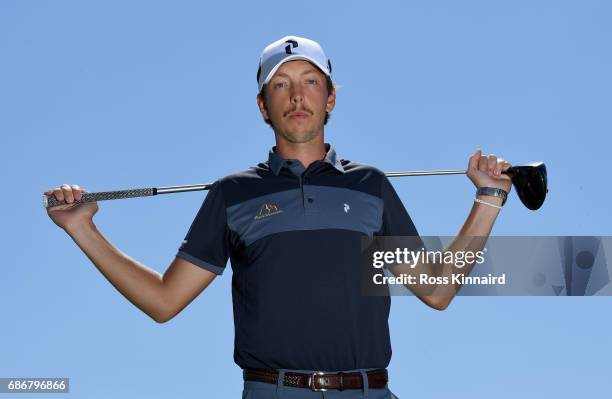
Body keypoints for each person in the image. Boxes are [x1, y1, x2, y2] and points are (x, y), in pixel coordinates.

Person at [46, 35, 513, 399]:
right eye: (280, 85)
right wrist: (83, 229)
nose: (296, 96)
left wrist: (488, 199)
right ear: (262, 106)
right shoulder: (232, 195)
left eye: (310, 81)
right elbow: (164, 301)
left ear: (330, 98)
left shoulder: (370, 186)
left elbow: (436, 289)